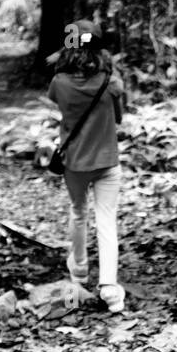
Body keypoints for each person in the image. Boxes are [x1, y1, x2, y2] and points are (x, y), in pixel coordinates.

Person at [47, 19, 127, 313]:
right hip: (107, 161)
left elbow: (65, 112)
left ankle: (79, 273)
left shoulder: (59, 83)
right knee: (106, 220)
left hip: (75, 163)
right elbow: (118, 119)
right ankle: (109, 288)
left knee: (78, 213)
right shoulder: (112, 82)